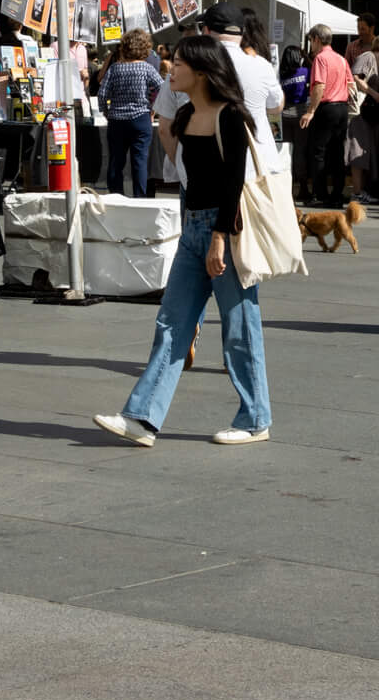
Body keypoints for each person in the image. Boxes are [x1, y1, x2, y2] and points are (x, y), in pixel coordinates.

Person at [92, 37, 270, 447]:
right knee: (171, 325)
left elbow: (232, 184)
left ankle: (256, 418)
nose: (170, 68)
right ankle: (142, 418)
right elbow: (185, 175)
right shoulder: (186, 114)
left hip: (225, 231)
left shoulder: (230, 116)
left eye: (179, 63)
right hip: (192, 228)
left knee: (240, 329)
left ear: (203, 71)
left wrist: (218, 239)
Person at [206, 3, 282, 159]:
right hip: (258, 160)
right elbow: (276, 106)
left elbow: (166, 127)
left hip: (212, 163)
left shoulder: (195, 65)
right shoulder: (262, 64)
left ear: (206, 30)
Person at [98, 29, 162, 197]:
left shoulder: (114, 69)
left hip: (117, 120)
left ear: (124, 47)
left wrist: (106, 111)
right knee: (139, 162)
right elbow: (162, 88)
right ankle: (139, 199)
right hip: (141, 118)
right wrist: (153, 109)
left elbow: (102, 94)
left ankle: (116, 197)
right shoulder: (147, 68)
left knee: (116, 162)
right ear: (145, 48)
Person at [296, 25, 353, 206]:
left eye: (311, 41)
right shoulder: (341, 59)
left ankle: (320, 195)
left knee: (318, 153)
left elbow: (319, 85)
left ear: (316, 39)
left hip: (326, 107)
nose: (311, 45)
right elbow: (351, 84)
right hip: (342, 108)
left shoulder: (320, 58)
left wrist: (310, 111)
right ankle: (337, 194)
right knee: (337, 153)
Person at [343, 33, 379, 204]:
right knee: (357, 153)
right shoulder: (368, 57)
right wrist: (374, 94)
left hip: (362, 114)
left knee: (361, 154)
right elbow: (355, 78)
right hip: (357, 113)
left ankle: (359, 191)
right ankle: (356, 192)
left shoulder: (374, 63)